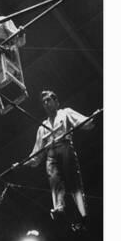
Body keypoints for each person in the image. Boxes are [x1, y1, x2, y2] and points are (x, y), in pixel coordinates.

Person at [27, 90, 96, 232]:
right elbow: (37, 151)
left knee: (73, 181)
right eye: (44, 102)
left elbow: (81, 121)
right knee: (54, 181)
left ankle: (83, 213)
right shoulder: (42, 127)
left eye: (49, 100)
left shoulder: (65, 113)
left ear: (56, 102)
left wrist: (91, 119)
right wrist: (27, 162)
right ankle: (59, 207)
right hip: (51, 154)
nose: (46, 103)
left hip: (64, 147)